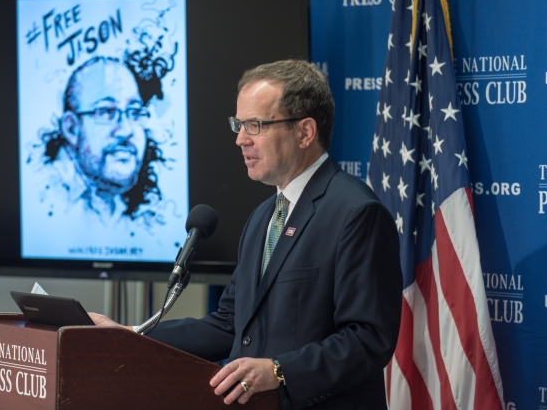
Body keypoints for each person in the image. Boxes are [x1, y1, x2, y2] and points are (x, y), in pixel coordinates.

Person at [91, 59, 402, 410]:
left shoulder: (356, 213)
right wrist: (131, 336)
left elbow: (369, 339)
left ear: (305, 132)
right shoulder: (263, 217)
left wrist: (280, 371)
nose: (241, 139)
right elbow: (229, 324)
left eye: (256, 124)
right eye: (239, 124)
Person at [29, 56, 164, 227]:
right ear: (72, 128)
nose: (126, 130)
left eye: (135, 113)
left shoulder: (133, 212)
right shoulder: (40, 196)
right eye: (107, 112)